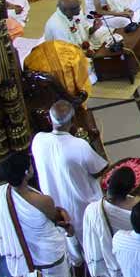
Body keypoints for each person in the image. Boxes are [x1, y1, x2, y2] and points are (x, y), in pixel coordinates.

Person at [32, 98, 108, 267]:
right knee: (88, 237)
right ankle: (94, 263)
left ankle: (76, 263)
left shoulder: (38, 140)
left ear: (50, 119)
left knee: (67, 234)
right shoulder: (78, 145)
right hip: (80, 201)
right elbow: (98, 169)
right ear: (73, 122)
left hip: (54, 202)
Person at [83, 165, 139, 277]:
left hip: (111, 267)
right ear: (131, 188)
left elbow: (89, 242)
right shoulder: (138, 208)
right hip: (136, 266)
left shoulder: (93, 210)